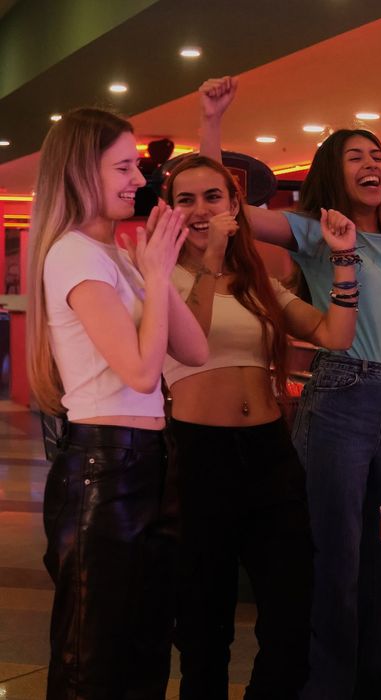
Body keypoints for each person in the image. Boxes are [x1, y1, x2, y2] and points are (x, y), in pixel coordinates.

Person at [197, 76, 381, 699]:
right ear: (333, 173)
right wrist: (211, 126)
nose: (372, 163)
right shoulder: (318, 232)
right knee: (335, 556)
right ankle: (326, 688)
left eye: (377, 154)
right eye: (355, 156)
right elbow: (228, 210)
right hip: (340, 395)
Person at [160, 154, 360, 699]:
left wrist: (345, 262)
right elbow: (189, 343)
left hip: (270, 455)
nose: (201, 210)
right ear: (170, 210)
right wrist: (212, 259)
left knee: (292, 615)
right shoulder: (158, 276)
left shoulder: (257, 282)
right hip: (201, 458)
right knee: (204, 627)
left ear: (233, 206)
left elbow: (332, 334)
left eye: (213, 197)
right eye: (186, 199)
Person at [28, 108, 208, 698]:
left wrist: (158, 263)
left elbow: (195, 349)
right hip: (102, 469)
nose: (139, 179)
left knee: (145, 649)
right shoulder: (73, 254)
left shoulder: (119, 258)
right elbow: (138, 369)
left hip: (151, 459)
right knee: (92, 659)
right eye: (124, 166)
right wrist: (155, 276)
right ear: (83, 171)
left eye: (136, 165)